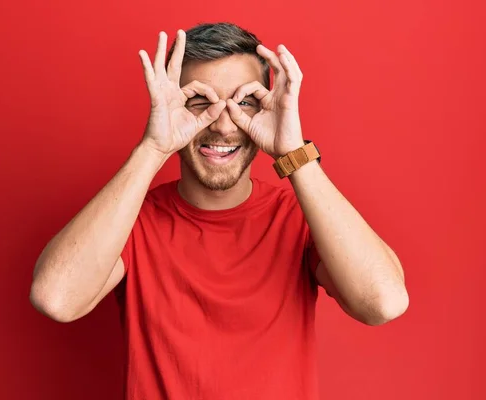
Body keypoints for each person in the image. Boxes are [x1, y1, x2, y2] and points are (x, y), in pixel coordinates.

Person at [30, 22, 409, 400]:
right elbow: (56, 298)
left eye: (243, 102)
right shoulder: (132, 220)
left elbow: (384, 303)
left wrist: (293, 152)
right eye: (200, 101)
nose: (224, 125)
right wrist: (153, 148)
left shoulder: (300, 217)